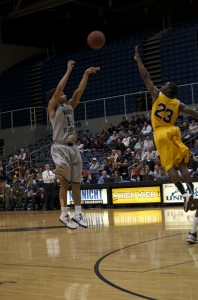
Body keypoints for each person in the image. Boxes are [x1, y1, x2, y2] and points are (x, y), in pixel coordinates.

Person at [134, 45, 198, 214]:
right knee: (182, 163)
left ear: (168, 90)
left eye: (166, 84)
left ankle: (184, 195)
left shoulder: (157, 94)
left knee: (170, 167)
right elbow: (193, 112)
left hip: (160, 134)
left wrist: (138, 60)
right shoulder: (178, 104)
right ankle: (192, 192)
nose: (163, 84)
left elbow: (145, 76)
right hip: (174, 131)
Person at [47, 59, 100, 229]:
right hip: (59, 147)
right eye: (61, 94)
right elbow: (59, 90)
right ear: (55, 98)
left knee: (76, 184)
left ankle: (78, 213)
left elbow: (78, 92)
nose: (64, 94)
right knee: (64, 181)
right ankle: (64, 214)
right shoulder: (53, 108)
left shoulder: (69, 105)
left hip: (73, 148)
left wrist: (85, 74)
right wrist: (68, 71)